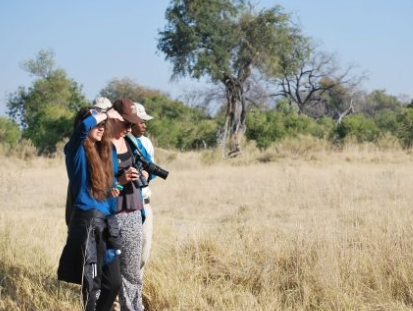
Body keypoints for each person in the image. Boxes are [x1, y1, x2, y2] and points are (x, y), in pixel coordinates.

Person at [58, 107, 124, 311]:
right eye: (97, 123)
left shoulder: (107, 152)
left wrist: (115, 189)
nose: (101, 127)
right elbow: (82, 129)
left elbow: (110, 188)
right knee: (92, 285)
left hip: (107, 222)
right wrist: (106, 114)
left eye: (104, 125)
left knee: (113, 283)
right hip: (87, 223)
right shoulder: (75, 151)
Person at [110, 98, 146, 311]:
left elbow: (145, 168)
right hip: (109, 214)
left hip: (133, 211)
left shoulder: (131, 142)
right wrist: (119, 181)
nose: (129, 128)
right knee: (107, 277)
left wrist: (143, 174)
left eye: (131, 124)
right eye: (125, 123)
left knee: (132, 274)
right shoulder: (99, 143)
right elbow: (92, 184)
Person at [132, 102, 155, 279]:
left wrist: (148, 173)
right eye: (141, 121)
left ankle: (135, 297)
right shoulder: (117, 144)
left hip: (145, 203)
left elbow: (153, 170)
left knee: (143, 252)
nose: (144, 125)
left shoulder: (146, 143)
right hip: (127, 205)